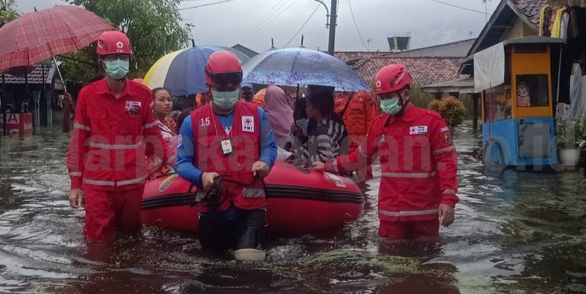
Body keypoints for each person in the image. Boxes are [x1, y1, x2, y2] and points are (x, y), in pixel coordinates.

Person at [313, 64, 458, 240]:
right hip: (391, 213)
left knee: (428, 261)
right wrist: (328, 166)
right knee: (388, 261)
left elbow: (447, 163)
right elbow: (359, 158)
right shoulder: (379, 125)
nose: (384, 102)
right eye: (381, 97)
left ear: (405, 93)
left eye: (388, 96)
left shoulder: (432, 122)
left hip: (424, 212)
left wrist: (448, 200)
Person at [66, 30, 172, 244]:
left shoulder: (141, 95)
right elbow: (78, 142)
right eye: (112, 57)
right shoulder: (87, 95)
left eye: (123, 57)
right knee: (97, 241)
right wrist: (76, 184)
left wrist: (176, 166)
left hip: (132, 183)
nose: (118, 62)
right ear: (102, 61)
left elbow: (153, 137)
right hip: (97, 183)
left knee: (132, 238)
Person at [176, 51, 277, 254]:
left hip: (251, 207)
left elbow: (270, 147)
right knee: (213, 270)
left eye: (234, 84)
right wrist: (200, 176)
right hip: (213, 208)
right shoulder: (192, 122)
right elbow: (182, 162)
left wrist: (266, 162)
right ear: (209, 86)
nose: (229, 89)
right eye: (222, 84)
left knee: (250, 266)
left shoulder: (257, 114)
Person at [291, 87, 348, 167]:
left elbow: (327, 157)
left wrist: (306, 161)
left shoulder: (323, 131)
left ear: (316, 111)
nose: (305, 108)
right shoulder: (321, 125)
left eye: (307, 105)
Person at [147, 87, 178, 180]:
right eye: (161, 100)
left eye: (169, 100)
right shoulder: (148, 125)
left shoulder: (170, 122)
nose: (167, 103)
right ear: (152, 104)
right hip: (157, 172)